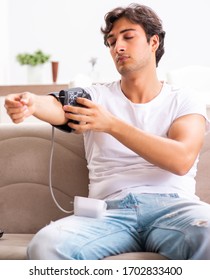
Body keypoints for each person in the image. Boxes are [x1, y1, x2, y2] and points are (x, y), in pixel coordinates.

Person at [4, 3, 210, 260]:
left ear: (153, 42)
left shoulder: (184, 99)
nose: (117, 47)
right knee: (45, 245)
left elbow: (180, 160)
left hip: (175, 208)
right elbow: (58, 106)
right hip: (108, 213)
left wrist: (111, 124)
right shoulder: (96, 96)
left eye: (128, 37)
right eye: (111, 42)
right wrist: (31, 102)